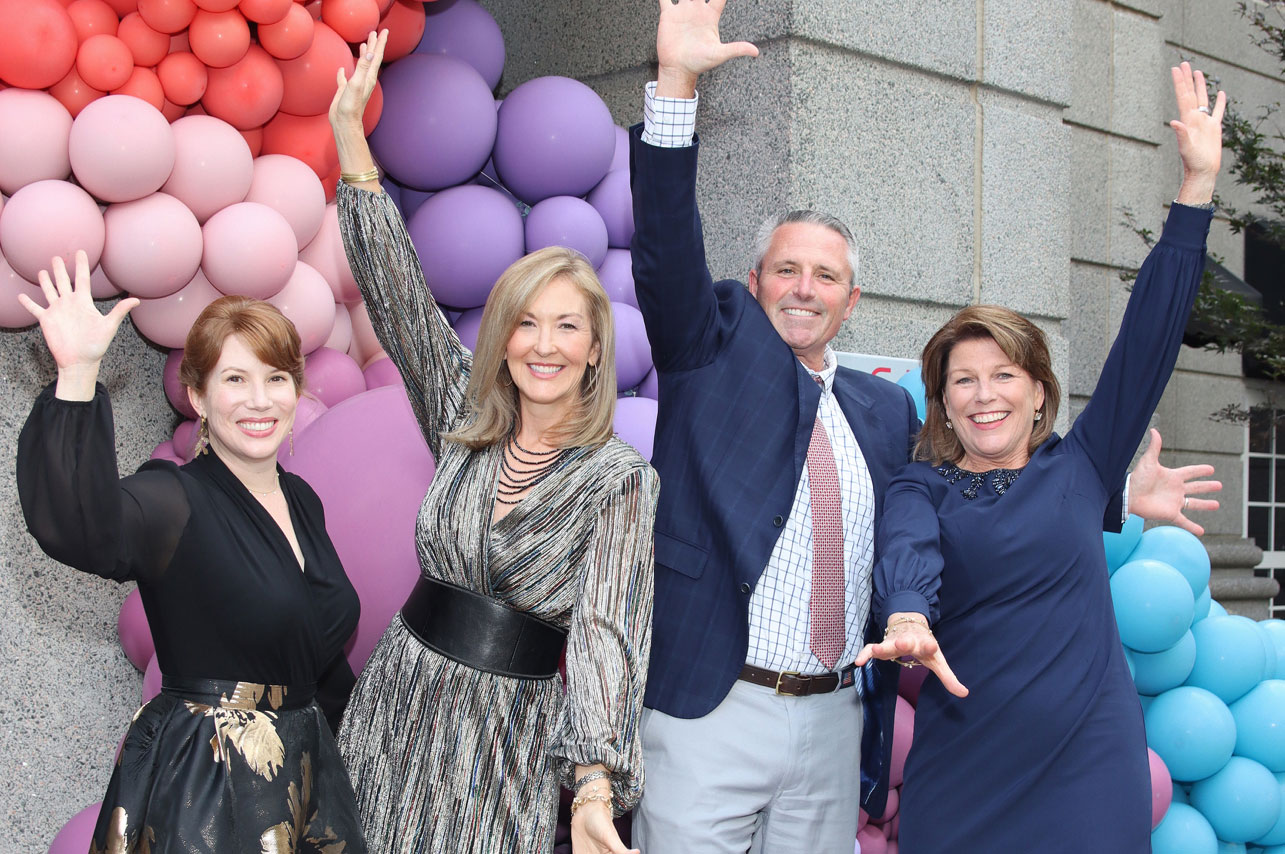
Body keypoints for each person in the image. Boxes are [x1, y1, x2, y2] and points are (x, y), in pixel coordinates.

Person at [629, 2, 1221, 851]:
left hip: (842, 723)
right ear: (753, 282)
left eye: (824, 275)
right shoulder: (709, 354)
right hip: (715, 703)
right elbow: (910, 536)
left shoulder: (883, 412)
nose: (803, 288)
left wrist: (1194, 191)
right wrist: (676, 85)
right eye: (785, 270)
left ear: (851, 299)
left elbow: (1139, 355)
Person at [853, 63, 1225, 852]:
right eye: (962, 381)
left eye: (1002, 376)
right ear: (941, 401)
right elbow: (906, 552)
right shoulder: (921, 484)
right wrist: (909, 612)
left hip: (1087, 764)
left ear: (1035, 391)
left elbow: (1146, 343)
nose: (983, 396)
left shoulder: (1083, 467)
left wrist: (1194, 189)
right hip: (964, 766)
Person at [327, 32, 659, 854]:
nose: (542, 345)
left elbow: (608, 634)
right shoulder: (463, 419)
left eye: (566, 327)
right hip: (396, 700)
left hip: (503, 739)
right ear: (502, 338)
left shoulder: (617, 478)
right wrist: (350, 147)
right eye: (525, 323)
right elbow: (399, 297)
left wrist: (592, 787)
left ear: (593, 349)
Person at [16, 257, 366, 853]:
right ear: (199, 398)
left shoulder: (301, 498)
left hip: (303, 778)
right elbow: (79, 525)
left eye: (276, 378)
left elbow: (315, 655)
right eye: (235, 380)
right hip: (207, 791)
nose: (260, 400)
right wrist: (77, 373)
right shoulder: (172, 495)